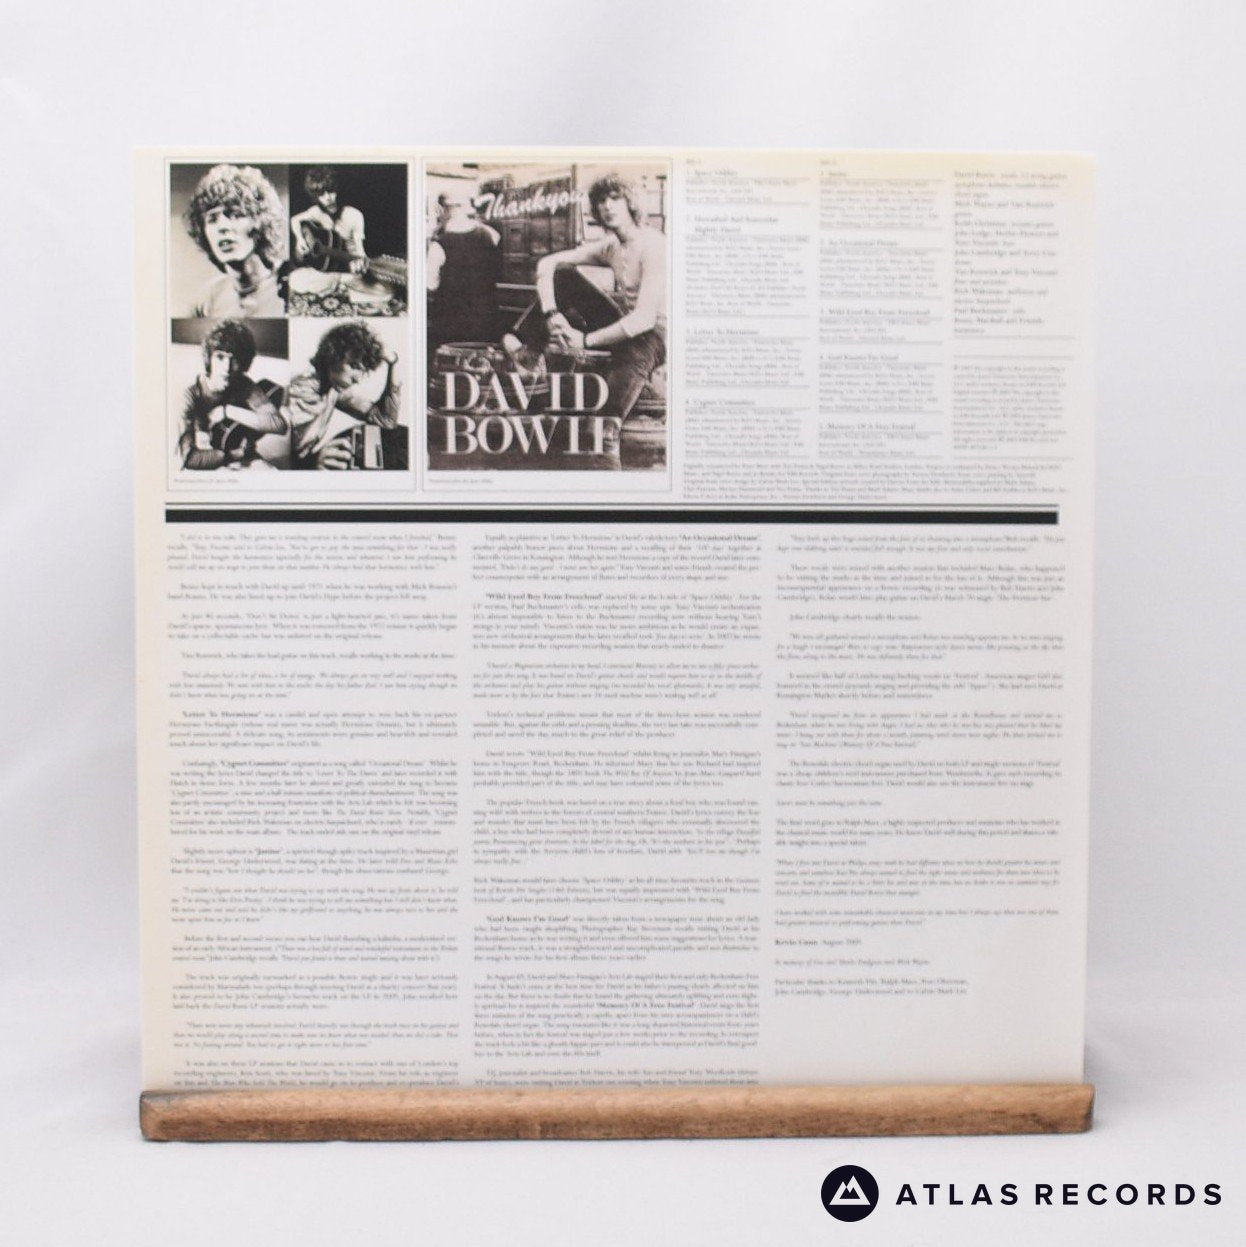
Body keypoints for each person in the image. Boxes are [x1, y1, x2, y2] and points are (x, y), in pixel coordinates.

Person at [507, 173, 666, 459]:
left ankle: (608, 426)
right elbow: (548, 264)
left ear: (630, 202)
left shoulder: (653, 246)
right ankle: (527, 353)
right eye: (601, 200)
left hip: (658, 336)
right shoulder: (611, 245)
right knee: (565, 275)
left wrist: (585, 340)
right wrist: (552, 314)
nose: (608, 206)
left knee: (641, 344)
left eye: (615, 198)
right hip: (628, 325)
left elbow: (644, 319)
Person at [285, 322, 404, 470]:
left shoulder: (333, 389)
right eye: (354, 366)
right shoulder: (299, 390)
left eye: (363, 370)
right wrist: (313, 464)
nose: (357, 379)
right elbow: (282, 457)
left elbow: (386, 420)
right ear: (332, 356)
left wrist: (393, 362)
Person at [179, 320, 287, 470]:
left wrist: (227, 411)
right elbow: (190, 459)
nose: (227, 367)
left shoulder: (242, 384)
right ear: (209, 358)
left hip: (239, 455)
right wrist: (234, 455)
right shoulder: (189, 395)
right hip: (211, 462)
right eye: (220, 357)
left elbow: (279, 425)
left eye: (234, 359)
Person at [182, 165, 286, 318]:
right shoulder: (207, 299)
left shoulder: (288, 285)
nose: (222, 227)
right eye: (212, 219)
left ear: (260, 222)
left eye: (235, 214)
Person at [426, 186, 502, 352]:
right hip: (487, 320)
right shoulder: (491, 236)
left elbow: (430, 285)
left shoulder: (439, 245)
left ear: (444, 210)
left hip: (452, 325)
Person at [290, 167, 367, 274]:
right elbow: (294, 220)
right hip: (325, 270)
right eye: (321, 194)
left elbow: (360, 251)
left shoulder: (354, 215)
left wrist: (360, 264)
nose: (327, 198)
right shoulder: (315, 212)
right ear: (316, 196)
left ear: (336, 190)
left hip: (347, 267)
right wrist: (300, 239)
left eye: (330, 191)